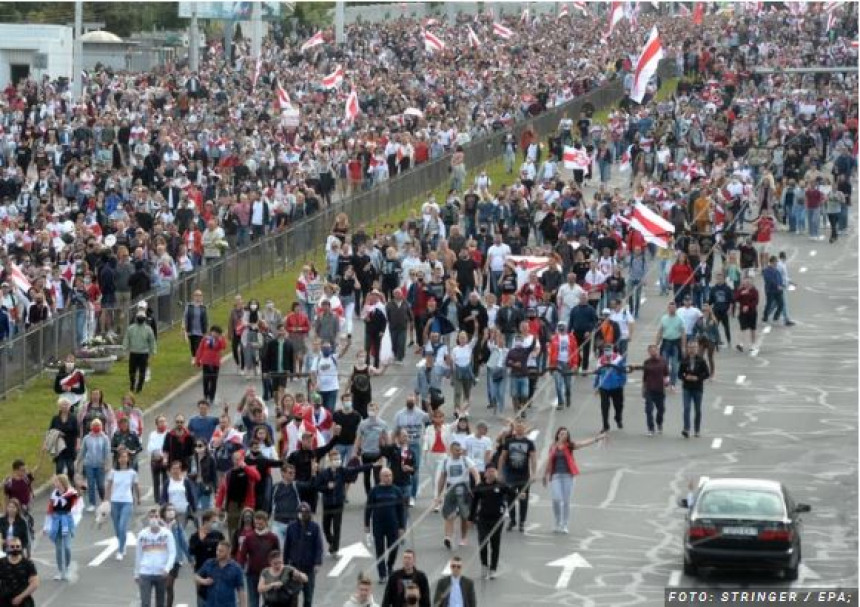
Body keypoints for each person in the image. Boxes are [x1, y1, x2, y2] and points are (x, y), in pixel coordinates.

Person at [543, 427, 605, 534]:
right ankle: (557, 520)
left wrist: (597, 438)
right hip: (556, 476)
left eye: (565, 434)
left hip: (568, 476)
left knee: (566, 501)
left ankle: (564, 524)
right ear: (557, 435)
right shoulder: (553, 447)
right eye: (561, 434)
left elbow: (583, 443)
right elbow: (549, 461)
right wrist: (545, 475)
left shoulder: (570, 446)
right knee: (556, 499)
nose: (563, 436)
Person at [468, 464, 514, 580]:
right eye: (489, 471)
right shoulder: (480, 487)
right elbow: (474, 504)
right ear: (485, 473)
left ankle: (493, 568)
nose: (492, 473)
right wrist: (470, 519)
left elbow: (512, 493)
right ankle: (484, 565)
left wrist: (520, 494)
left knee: (495, 544)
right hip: (482, 519)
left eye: (494, 471)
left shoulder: (501, 485)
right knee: (483, 543)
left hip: (497, 520)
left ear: (496, 473)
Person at [365, 467, 406, 584]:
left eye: (390, 475)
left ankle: (390, 566)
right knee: (379, 549)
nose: (388, 478)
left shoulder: (396, 490)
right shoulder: (374, 491)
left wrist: (402, 527)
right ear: (380, 477)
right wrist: (367, 524)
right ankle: (382, 574)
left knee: (393, 547)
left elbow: (401, 510)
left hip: (393, 524)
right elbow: (368, 508)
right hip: (378, 524)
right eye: (386, 476)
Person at [436, 442, 480, 549]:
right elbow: (442, 478)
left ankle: (463, 538)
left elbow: (475, 473)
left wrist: (478, 483)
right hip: (450, 488)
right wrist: (438, 495)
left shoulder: (465, 460)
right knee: (449, 514)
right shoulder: (446, 461)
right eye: (457, 450)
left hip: (463, 489)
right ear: (451, 450)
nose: (459, 452)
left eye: (460, 450)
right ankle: (448, 537)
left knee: (464, 516)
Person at [497, 420, 536, 532]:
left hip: (524, 475)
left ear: (524, 429)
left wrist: (533, 473)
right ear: (515, 429)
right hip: (510, 475)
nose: (519, 429)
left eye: (521, 427)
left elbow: (533, 458)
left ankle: (522, 521)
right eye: (517, 427)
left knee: (523, 499)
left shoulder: (529, 443)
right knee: (510, 498)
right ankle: (512, 520)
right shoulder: (509, 442)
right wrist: (500, 473)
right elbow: (502, 457)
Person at [283, 502, 324, 607]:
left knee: (308, 596)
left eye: (306, 512)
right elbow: (286, 546)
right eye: (301, 512)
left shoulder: (314, 527)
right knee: (292, 596)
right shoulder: (291, 527)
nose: (303, 514)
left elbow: (318, 546)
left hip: (309, 568)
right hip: (294, 567)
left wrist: (317, 563)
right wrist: (284, 564)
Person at [135, 508, 177, 607]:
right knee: (145, 603)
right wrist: (136, 573)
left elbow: (172, 553)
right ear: (148, 518)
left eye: (156, 516)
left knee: (161, 603)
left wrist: (167, 568)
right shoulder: (142, 535)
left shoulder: (167, 534)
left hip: (161, 573)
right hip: (145, 572)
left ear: (160, 519)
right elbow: (139, 554)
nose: (153, 519)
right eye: (151, 516)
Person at [238, 511, 280, 607]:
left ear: (266, 522)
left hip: (268, 574)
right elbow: (242, 556)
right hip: (252, 574)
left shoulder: (273, 538)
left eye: (260, 523)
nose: (258, 525)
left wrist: (278, 570)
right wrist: (240, 569)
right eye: (256, 523)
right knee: (253, 603)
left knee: (269, 602)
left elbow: (277, 555)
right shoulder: (248, 538)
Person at [105, 448, 140, 561]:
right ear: (118, 459)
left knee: (122, 526)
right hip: (115, 502)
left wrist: (138, 498)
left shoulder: (132, 473)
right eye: (121, 457)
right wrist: (106, 500)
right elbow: (109, 486)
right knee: (117, 528)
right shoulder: (113, 472)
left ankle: (120, 550)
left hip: (127, 502)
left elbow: (136, 486)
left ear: (128, 459)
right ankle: (122, 543)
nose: (123, 459)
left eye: (125, 457)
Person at [194, 540, 247, 607]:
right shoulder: (209, 563)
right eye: (217, 550)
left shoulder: (236, 568)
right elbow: (196, 576)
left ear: (228, 552)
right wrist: (203, 581)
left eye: (221, 551)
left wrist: (243, 605)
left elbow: (241, 590)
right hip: (210, 604)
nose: (217, 553)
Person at [189, 510, 225, 607]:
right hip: (201, 571)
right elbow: (192, 551)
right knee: (201, 599)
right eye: (213, 522)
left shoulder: (218, 535)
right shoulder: (195, 536)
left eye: (216, 521)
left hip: (217, 570)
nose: (215, 524)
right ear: (206, 522)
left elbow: (225, 549)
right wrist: (201, 539)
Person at [76, 419, 111, 511]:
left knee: (100, 485)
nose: (96, 427)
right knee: (90, 484)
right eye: (94, 425)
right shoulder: (87, 438)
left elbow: (107, 452)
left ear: (101, 427)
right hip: (89, 464)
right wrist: (78, 461)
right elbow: (82, 451)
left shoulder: (104, 438)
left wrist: (107, 464)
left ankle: (104, 501)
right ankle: (92, 503)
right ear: (91, 427)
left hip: (100, 465)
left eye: (98, 425)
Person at [592, 345, 628, 432]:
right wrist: (596, 385)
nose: (607, 352)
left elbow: (623, 371)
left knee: (619, 405)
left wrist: (622, 382)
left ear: (612, 350)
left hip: (616, 386)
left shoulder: (618, 359)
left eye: (609, 350)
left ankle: (618, 418)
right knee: (604, 407)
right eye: (605, 350)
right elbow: (598, 373)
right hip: (604, 387)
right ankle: (605, 425)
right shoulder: (601, 360)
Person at [679, 341, 711, 438]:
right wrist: (685, 377)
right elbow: (679, 374)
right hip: (687, 388)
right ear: (687, 349)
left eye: (694, 347)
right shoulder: (684, 360)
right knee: (686, 408)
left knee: (697, 410)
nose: (692, 349)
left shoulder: (701, 360)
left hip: (697, 388)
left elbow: (707, 374)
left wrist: (697, 378)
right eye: (690, 347)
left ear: (697, 349)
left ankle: (697, 430)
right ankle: (686, 429)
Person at [548, 321, 580, 409]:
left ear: (566, 328)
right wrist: (551, 365)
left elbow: (575, 352)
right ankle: (561, 402)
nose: (561, 329)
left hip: (568, 363)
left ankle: (568, 395)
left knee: (567, 384)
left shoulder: (571, 338)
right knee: (558, 384)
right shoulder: (554, 338)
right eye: (560, 327)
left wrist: (575, 364)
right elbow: (551, 353)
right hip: (557, 363)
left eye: (563, 327)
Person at [124, 308, 157, 393]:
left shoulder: (148, 329)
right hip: (133, 352)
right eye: (139, 316)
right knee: (131, 371)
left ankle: (139, 387)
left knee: (142, 371)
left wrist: (153, 351)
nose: (140, 318)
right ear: (136, 317)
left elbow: (152, 341)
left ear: (145, 318)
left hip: (144, 353)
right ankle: (132, 384)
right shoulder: (131, 328)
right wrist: (125, 349)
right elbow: (126, 339)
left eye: (142, 317)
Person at [639, 345, 670, 436]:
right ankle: (651, 429)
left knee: (661, 409)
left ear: (657, 351)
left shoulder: (663, 361)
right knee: (649, 409)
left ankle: (659, 423)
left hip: (660, 389)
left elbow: (667, 374)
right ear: (649, 352)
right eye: (651, 351)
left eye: (654, 350)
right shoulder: (646, 362)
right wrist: (643, 388)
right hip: (649, 389)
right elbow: (644, 377)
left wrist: (667, 383)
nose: (653, 352)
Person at [0, 536, 38, 607]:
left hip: (24, 600)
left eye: (18, 546)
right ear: (7, 548)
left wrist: (20, 597)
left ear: (21, 547)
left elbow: (35, 583)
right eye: (12, 546)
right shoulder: (1, 563)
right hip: (4, 600)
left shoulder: (28, 563)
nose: (15, 548)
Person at [655, 301, 685, 388]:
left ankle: (673, 383)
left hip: (676, 343)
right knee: (664, 364)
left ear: (676, 308)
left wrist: (683, 347)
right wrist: (656, 345)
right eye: (670, 307)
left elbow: (683, 333)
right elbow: (660, 331)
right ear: (668, 309)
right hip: (666, 343)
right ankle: (665, 380)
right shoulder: (664, 318)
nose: (672, 309)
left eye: (674, 307)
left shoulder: (680, 319)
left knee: (675, 366)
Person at [195, 325, 228, 403]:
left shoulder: (219, 340)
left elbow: (223, 346)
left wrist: (221, 338)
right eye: (213, 332)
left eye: (217, 333)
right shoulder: (205, 339)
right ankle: (205, 396)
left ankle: (211, 397)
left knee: (213, 380)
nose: (215, 334)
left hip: (215, 363)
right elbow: (200, 349)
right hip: (206, 361)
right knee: (206, 380)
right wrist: (197, 360)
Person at [734, 273, 760, 354]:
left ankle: (753, 345)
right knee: (743, 328)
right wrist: (741, 293)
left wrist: (748, 306)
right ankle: (741, 344)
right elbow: (735, 298)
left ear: (752, 283)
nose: (747, 284)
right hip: (742, 312)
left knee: (753, 329)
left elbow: (756, 301)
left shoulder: (754, 291)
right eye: (745, 283)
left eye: (748, 283)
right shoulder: (741, 290)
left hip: (752, 312)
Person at [184, 289, 209, 364]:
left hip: (200, 330)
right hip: (191, 329)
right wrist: (184, 329)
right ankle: (194, 357)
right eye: (196, 295)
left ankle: (199, 357)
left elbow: (207, 319)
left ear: (202, 297)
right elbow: (185, 317)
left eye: (200, 295)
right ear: (194, 297)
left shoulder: (204, 307)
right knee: (192, 344)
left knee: (198, 344)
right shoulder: (189, 306)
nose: (198, 297)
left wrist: (207, 329)